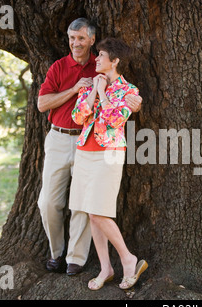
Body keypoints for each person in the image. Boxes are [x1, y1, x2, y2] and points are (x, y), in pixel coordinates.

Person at [37, 18, 142, 276]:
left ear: (92, 41)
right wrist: (79, 90)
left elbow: (116, 112)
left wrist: (124, 100)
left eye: (81, 38)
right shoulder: (60, 67)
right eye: (72, 38)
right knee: (49, 202)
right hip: (64, 139)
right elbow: (59, 109)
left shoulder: (108, 74)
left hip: (99, 147)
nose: (75, 43)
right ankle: (56, 252)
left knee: (85, 206)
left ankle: (77, 257)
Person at [69, 37, 148, 290]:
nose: (96, 59)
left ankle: (128, 259)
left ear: (114, 61)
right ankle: (106, 268)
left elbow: (115, 121)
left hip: (109, 153)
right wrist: (94, 89)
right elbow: (78, 116)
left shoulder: (129, 91)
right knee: (92, 213)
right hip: (84, 152)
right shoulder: (88, 86)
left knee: (99, 211)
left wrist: (103, 92)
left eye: (101, 55)